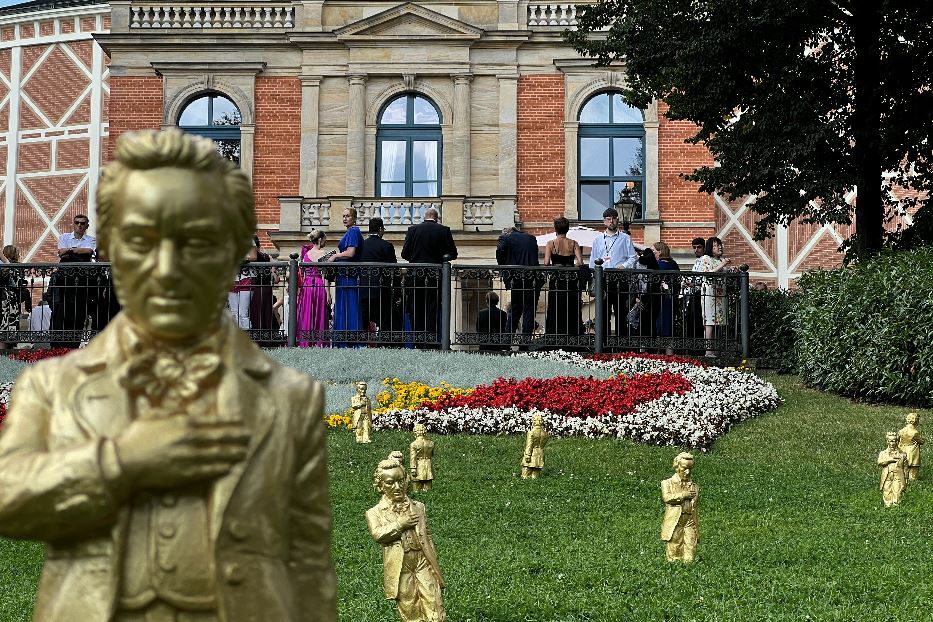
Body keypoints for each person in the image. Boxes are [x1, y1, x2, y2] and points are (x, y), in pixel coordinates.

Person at [0, 129, 337, 621]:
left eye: (196, 241)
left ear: (231, 253)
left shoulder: (292, 398)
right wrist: (120, 462)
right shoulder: (54, 386)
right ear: (110, 249)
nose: (166, 268)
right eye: (140, 241)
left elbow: (309, 567)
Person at [366, 458, 446, 622]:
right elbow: (377, 535)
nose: (397, 487)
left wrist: (433, 555)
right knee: (410, 608)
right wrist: (400, 524)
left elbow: (427, 534)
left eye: (401, 481)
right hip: (400, 565)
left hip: (422, 561)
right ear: (381, 486)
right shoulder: (374, 512)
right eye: (390, 483)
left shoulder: (418, 506)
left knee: (435, 604)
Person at [400, 208, 458, 348]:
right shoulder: (443, 230)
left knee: (415, 309)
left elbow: (404, 253)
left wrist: (416, 260)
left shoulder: (413, 230)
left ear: (425, 217)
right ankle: (431, 342)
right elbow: (453, 253)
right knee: (432, 309)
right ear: (436, 218)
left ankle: (418, 343)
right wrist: (442, 258)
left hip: (415, 276)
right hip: (435, 276)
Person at [588, 207, 638, 345]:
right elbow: (593, 261)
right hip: (603, 279)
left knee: (621, 312)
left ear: (617, 220)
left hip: (620, 278)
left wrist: (623, 266)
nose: (612, 221)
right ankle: (603, 343)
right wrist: (594, 279)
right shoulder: (597, 240)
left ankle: (621, 345)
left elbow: (633, 258)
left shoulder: (625, 238)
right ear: (604, 221)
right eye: (608, 219)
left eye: (614, 218)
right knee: (602, 313)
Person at [496, 223, 542, 346]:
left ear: (507, 232)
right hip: (533, 279)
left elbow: (500, 251)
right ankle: (525, 342)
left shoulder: (505, 238)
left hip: (517, 278)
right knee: (529, 311)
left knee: (515, 310)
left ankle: (507, 340)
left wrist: (504, 267)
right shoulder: (531, 238)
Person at [543, 216, 584, 343]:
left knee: (556, 307)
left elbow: (546, 263)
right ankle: (572, 335)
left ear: (555, 229)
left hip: (556, 281)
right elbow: (580, 262)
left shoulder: (551, 244)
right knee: (571, 307)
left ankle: (555, 335)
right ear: (567, 229)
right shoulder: (574, 243)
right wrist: (570, 267)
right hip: (571, 281)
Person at [360, 217, 401, 342]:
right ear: (380, 229)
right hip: (382, 290)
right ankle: (383, 345)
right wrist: (398, 291)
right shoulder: (387, 246)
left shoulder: (362, 245)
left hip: (363, 289)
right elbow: (394, 270)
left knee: (363, 322)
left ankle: (362, 345)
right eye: (383, 229)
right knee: (384, 322)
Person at [328, 207, 364, 346]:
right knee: (344, 306)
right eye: (343, 216)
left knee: (350, 306)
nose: (345, 218)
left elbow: (350, 253)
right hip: (344, 274)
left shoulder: (354, 231)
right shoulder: (349, 231)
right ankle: (343, 340)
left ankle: (351, 341)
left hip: (349, 275)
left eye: (347, 216)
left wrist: (335, 256)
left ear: (354, 218)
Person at [694, 236, 732, 357]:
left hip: (720, 293)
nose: (719, 247)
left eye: (720, 245)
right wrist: (723, 265)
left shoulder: (718, 260)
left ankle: (715, 349)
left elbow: (720, 272)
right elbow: (707, 273)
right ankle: (708, 351)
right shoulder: (706, 258)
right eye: (716, 245)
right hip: (710, 293)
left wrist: (729, 269)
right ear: (710, 248)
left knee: (717, 322)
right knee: (709, 321)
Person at [661, 452, 699, 563]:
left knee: (691, 543)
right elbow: (667, 498)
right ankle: (674, 564)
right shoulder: (667, 483)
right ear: (677, 467)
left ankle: (689, 565)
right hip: (676, 518)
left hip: (690, 519)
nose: (687, 472)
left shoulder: (695, 486)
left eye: (690, 469)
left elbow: (695, 504)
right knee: (675, 543)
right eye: (684, 468)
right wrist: (683, 495)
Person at [298, 229, 333, 347]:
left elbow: (302, 273)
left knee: (307, 313)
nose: (325, 242)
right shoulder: (323, 253)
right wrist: (328, 293)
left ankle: (306, 343)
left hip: (307, 286)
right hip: (319, 285)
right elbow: (325, 275)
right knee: (319, 314)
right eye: (324, 239)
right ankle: (319, 344)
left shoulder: (306, 254)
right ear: (319, 239)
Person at [246, 235, 278, 347]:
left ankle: (256, 341)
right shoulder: (268, 256)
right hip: (267, 288)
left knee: (255, 314)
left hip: (256, 287)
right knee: (267, 313)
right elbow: (276, 279)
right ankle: (267, 340)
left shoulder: (251, 257)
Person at [0, 245, 31, 348]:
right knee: (10, 326)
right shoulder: (17, 267)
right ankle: (8, 352)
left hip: (4, 298)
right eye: (17, 252)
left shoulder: (4, 266)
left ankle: (5, 354)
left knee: (4, 327)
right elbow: (19, 284)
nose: (19, 255)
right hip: (12, 300)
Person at [652, 241, 680, 354]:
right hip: (671, 297)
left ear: (659, 252)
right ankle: (669, 352)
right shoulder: (673, 263)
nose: (652, 253)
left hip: (661, 298)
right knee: (669, 324)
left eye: (653, 251)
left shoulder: (658, 264)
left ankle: (658, 353)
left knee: (660, 324)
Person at [632, 247, 662, 344]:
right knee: (650, 322)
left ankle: (641, 347)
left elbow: (634, 281)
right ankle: (649, 346)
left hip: (642, 296)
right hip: (653, 297)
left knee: (640, 323)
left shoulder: (638, 263)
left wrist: (636, 297)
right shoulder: (655, 263)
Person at [683, 237, 706, 352]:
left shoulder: (705, 260)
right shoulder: (697, 261)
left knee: (697, 322)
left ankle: (698, 349)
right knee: (691, 320)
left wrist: (693, 283)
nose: (696, 250)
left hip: (700, 293)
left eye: (699, 247)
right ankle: (692, 348)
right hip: (693, 293)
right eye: (694, 247)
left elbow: (704, 277)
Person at [878, 431, 908, 507]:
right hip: (887, 475)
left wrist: (906, 479)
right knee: (887, 490)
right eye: (890, 441)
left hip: (898, 475)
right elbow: (879, 462)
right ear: (887, 441)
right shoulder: (883, 453)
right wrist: (889, 460)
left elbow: (905, 468)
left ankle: (896, 506)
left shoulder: (902, 454)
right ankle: (888, 505)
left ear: (897, 442)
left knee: (897, 491)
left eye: (894, 441)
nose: (892, 443)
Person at [521, 413, 548, 479]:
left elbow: (529, 445)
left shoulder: (531, 433)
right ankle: (535, 484)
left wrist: (527, 454)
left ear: (533, 421)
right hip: (540, 453)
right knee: (536, 473)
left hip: (532, 452)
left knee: (525, 473)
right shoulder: (545, 434)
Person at [409, 423, 435, 492]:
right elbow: (432, 454)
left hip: (419, 464)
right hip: (428, 464)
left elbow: (413, 457)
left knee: (416, 487)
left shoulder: (414, 444)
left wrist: (413, 468)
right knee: (428, 486)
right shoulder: (431, 443)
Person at [898, 413, 923, 481]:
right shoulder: (915, 432)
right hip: (912, 451)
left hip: (902, 449)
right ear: (916, 421)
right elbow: (921, 442)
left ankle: (903, 477)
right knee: (913, 468)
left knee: (903, 465)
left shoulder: (901, 431)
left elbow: (898, 439)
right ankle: (912, 479)